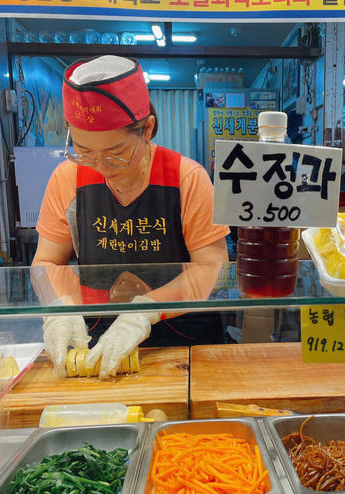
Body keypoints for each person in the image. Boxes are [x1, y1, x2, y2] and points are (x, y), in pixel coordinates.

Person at [32, 55, 230, 378]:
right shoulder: (67, 179)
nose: (101, 166)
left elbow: (213, 269)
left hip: (185, 348)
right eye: (84, 151)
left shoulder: (187, 179)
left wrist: (144, 311)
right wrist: (58, 306)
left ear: (147, 129)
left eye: (116, 152)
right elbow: (46, 263)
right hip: (99, 343)